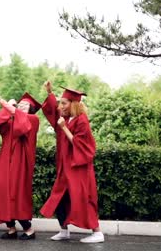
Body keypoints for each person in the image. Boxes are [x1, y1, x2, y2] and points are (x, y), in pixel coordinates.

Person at [39, 81, 104, 243]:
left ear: (73, 104)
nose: (60, 106)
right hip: (65, 167)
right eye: (60, 102)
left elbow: (83, 147)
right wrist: (49, 93)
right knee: (60, 198)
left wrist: (65, 129)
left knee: (84, 198)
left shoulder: (81, 121)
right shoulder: (64, 118)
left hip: (78, 168)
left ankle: (97, 232)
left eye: (64, 103)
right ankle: (64, 230)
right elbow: (53, 111)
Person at [0, 91, 41, 240]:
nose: (22, 106)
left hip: (21, 166)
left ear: (31, 109)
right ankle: (11, 228)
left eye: (26, 105)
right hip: (6, 163)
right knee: (2, 193)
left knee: (17, 195)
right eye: (20, 104)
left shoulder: (33, 119)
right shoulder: (13, 120)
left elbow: (22, 122)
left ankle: (29, 229)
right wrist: (8, 106)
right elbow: (0, 120)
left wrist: (3, 102)